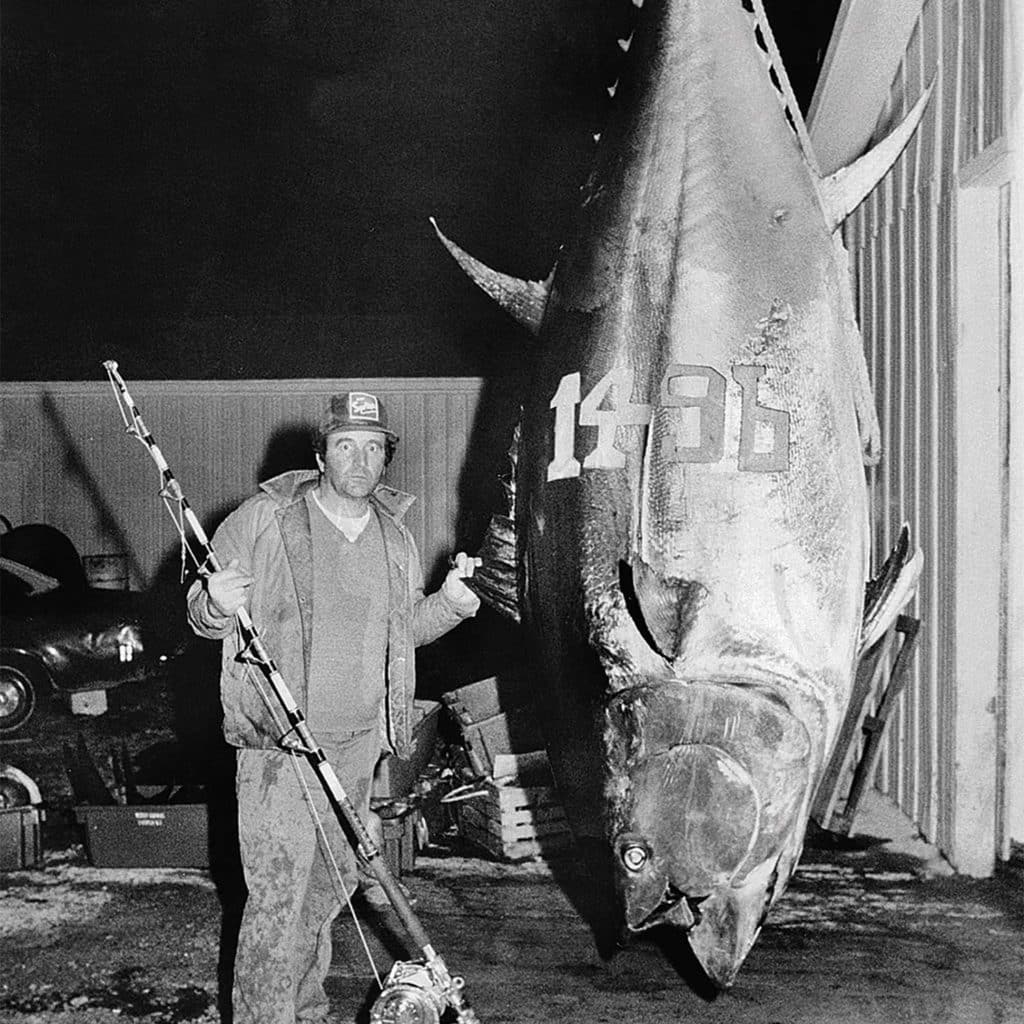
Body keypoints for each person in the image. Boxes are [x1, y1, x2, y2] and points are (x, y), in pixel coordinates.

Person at [186, 390, 480, 1024]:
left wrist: (452, 601)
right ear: (320, 455)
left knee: (328, 891)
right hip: (280, 749)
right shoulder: (263, 520)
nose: (361, 459)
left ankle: (306, 1010)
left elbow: (403, 631)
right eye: (346, 445)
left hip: (356, 747)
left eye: (374, 448)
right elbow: (205, 616)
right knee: (278, 899)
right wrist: (213, 600)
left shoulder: (395, 538)